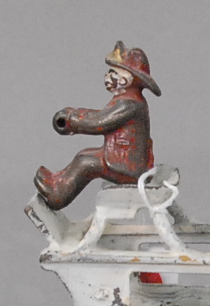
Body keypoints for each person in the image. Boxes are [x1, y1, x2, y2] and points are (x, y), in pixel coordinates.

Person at [33, 42, 161, 209]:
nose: (107, 76)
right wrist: (75, 114)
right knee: (83, 155)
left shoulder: (129, 105)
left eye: (112, 73)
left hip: (128, 166)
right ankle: (58, 182)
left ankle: (58, 195)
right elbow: (100, 116)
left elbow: (100, 122)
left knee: (86, 164)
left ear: (126, 80)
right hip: (125, 159)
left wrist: (71, 120)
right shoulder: (127, 101)